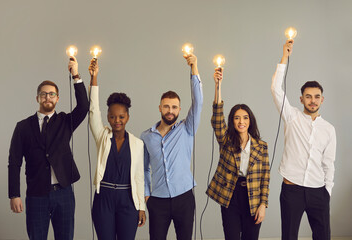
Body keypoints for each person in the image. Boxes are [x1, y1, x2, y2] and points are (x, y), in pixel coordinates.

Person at [8, 56, 89, 240]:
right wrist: (14, 194)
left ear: (58, 98)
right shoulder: (23, 127)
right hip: (36, 194)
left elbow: (84, 107)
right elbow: (14, 162)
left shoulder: (65, 122)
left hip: (64, 193)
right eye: (44, 94)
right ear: (37, 97)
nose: (47, 97)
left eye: (51, 94)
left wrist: (76, 75)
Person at [271, 40, 336, 240]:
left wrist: (328, 191)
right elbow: (275, 88)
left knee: (323, 236)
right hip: (292, 189)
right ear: (301, 99)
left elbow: (329, 163)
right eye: (308, 96)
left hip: (318, 191)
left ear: (322, 99)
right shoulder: (292, 117)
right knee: (289, 236)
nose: (312, 100)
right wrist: (284, 58)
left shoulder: (329, 129)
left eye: (317, 96)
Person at [141, 53, 203, 240]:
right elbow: (143, 169)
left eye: (174, 107)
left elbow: (198, 102)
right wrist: (146, 195)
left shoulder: (187, 128)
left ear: (180, 109)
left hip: (184, 197)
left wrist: (194, 69)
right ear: (160, 108)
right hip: (157, 200)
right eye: (166, 106)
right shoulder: (146, 136)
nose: (170, 110)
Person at [206, 68, 270, 240]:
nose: (241, 121)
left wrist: (263, 204)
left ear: (250, 121)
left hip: (253, 198)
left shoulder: (261, 147)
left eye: (245, 117)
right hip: (231, 196)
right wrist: (217, 86)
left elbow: (265, 178)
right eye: (236, 118)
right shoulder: (226, 141)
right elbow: (217, 118)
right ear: (232, 121)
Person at [88, 59, 146, 240]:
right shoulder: (102, 136)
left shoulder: (137, 144)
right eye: (112, 117)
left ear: (128, 117)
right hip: (103, 198)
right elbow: (93, 110)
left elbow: (139, 177)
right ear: (108, 117)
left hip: (128, 200)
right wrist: (94, 78)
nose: (117, 120)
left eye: (121, 116)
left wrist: (141, 207)